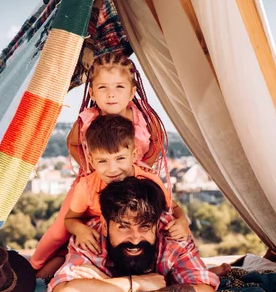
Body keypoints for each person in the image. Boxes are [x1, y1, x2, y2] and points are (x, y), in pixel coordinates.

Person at [31, 53, 183, 275]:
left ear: (132, 92)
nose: (111, 94)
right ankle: (36, 265)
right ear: (92, 92)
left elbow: (158, 142)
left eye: (119, 87)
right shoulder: (87, 118)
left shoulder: (143, 119)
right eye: (103, 88)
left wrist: (140, 165)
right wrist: (90, 167)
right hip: (95, 182)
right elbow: (72, 143)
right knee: (60, 230)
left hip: (134, 182)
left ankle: (171, 268)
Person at [35, 114, 190, 277]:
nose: (112, 169)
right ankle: (32, 277)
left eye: (120, 158)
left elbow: (173, 208)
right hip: (97, 238)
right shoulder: (87, 185)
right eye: (102, 161)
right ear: (91, 160)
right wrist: (81, 230)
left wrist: (182, 221)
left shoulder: (148, 180)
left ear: (134, 154)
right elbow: (70, 219)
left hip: (134, 239)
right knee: (55, 264)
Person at [49, 176, 219, 292]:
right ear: (106, 226)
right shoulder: (91, 238)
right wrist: (139, 283)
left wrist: (111, 289)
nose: (135, 239)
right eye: (124, 227)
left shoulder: (172, 235)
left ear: (157, 224)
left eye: (145, 227)